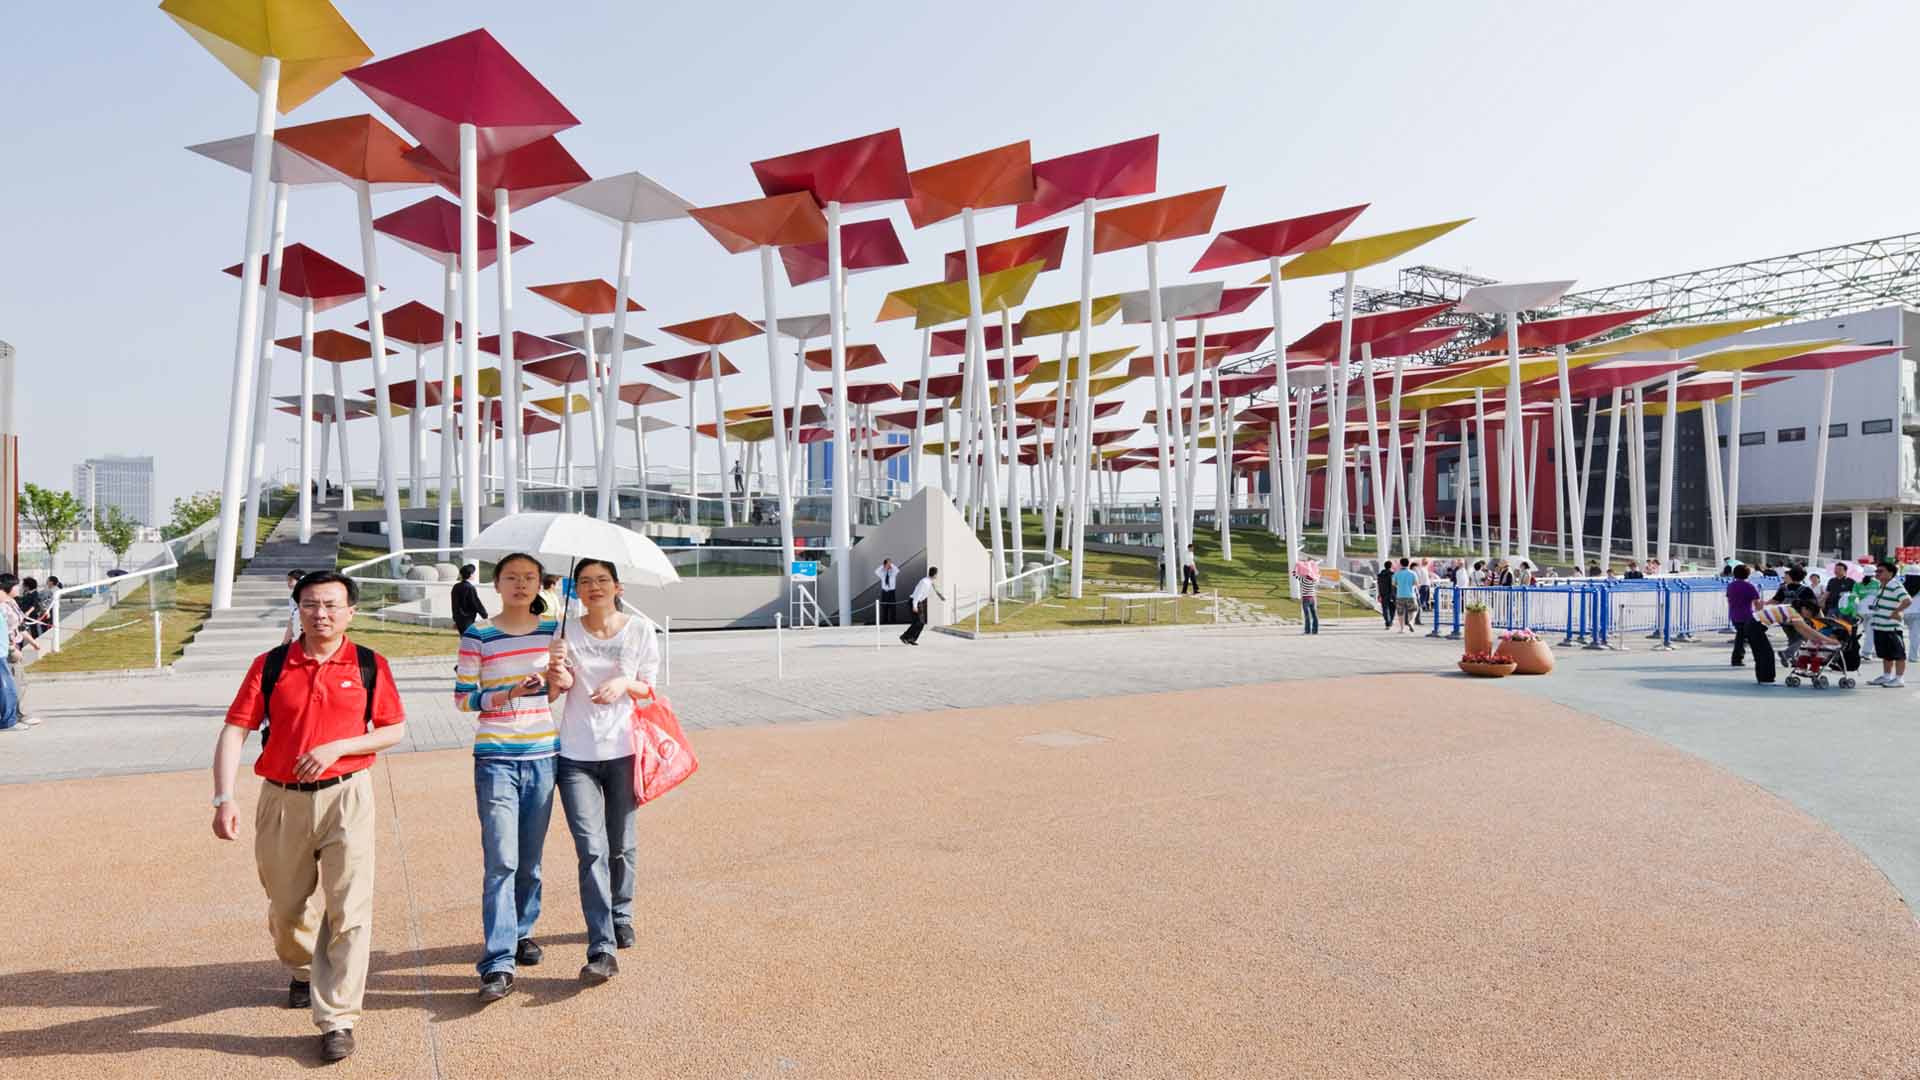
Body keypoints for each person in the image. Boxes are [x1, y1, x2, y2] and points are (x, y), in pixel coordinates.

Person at [212, 570, 407, 1063]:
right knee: (286, 907)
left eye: (331, 605)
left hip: (348, 796)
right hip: (282, 799)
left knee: (349, 909)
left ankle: (338, 1018)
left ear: (351, 612)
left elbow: (393, 729)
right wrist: (224, 797)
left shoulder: (369, 664)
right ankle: (302, 967)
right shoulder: (271, 665)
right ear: (298, 610)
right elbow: (235, 730)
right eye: (311, 605)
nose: (321, 614)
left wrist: (340, 747)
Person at [454, 553, 563, 1002]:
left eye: (529, 577)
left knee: (531, 860)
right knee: (502, 859)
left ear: (540, 584)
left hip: (543, 756)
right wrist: (508, 692)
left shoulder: (553, 632)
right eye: (512, 577)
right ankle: (498, 962)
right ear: (496, 584)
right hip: (496, 756)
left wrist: (558, 676)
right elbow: (463, 699)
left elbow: (555, 694)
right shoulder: (478, 635)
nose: (521, 584)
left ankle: (521, 932)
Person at [548, 558, 661, 984]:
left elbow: (649, 688)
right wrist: (556, 673)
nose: (593, 587)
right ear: (576, 589)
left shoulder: (639, 629)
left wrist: (624, 684)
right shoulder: (564, 633)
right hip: (574, 754)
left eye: (601, 580)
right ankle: (601, 945)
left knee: (622, 845)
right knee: (591, 849)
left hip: (624, 751)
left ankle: (621, 913)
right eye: (584, 581)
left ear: (618, 587)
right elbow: (555, 692)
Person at [0, 574, 44, 727]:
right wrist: (12, 649)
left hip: (15, 646)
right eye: (16, 585)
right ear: (7, 587)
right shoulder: (2, 606)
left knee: (19, 682)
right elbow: (4, 631)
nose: (19, 588)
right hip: (7, 648)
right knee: (10, 685)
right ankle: (13, 717)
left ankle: (18, 714)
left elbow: (20, 626)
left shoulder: (12, 602)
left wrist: (33, 642)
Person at [1865, 560, 1911, 687]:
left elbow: (1907, 600)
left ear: (1890, 573)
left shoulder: (1895, 585)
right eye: (1876, 571)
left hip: (1891, 627)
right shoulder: (1882, 585)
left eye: (1881, 571)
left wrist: (1896, 612)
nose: (1877, 573)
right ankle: (1886, 676)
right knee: (1886, 654)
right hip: (1880, 626)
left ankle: (1899, 679)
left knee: (1898, 654)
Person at [1726, 563, 1773, 683]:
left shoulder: (1731, 586)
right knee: (1746, 637)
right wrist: (1760, 614)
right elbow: (1757, 603)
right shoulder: (1750, 586)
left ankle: (1737, 657)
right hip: (1747, 615)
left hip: (1734, 613)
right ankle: (1738, 658)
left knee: (1740, 635)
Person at [900, 567, 942, 645]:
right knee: (919, 622)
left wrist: (939, 595)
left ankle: (910, 638)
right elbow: (918, 593)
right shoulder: (924, 582)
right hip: (915, 601)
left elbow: (934, 587)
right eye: (937, 574)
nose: (937, 575)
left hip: (920, 602)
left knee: (920, 622)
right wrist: (914, 605)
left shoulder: (929, 581)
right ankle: (905, 637)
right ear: (934, 574)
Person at [450, 563, 486, 635]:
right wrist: (484, 615)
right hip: (468, 619)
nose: (474, 575)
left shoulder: (456, 587)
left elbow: (454, 604)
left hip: (459, 619)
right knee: (470, 638)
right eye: (473, 573)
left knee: (464, 638)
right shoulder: (470, 588)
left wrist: (455, 619)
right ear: (470, 575)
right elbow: (476, 603)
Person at [1392, 558, 1418, 634]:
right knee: (1413, 610)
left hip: (1400, 595)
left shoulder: (1397, 573)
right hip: (1411, 595)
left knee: (1400, 613)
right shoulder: (1412, 573)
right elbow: (1416, 583)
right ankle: (1411, 622)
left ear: (1400, 564)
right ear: (1408, 564)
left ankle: (1402, 629)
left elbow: (1393, 583)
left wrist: (1399, 585)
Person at [1294, 558, 1320, 635]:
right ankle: (1315, 630)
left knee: (1307, 615)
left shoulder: (1303, 580)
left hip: (1306, 599)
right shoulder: (1314, 580)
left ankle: (1307, 631)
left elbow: (1294, 574)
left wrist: (1296, 566)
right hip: (1312, 598)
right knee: (1314, 615)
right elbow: (1317, 574)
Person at [282, 569, 303, 645]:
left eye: (291, 580)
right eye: (287, 580)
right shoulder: (293, 596)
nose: (288, 582)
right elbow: (292, 620)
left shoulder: (303, 597)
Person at [876, 559, 900, 623]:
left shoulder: (893, 572)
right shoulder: (882, 573)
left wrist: (890, 564)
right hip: (884, 592)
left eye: (890, 563)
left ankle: (893, 621)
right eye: (888, 564)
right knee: (884, 607)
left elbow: (897, 570)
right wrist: (883, 566)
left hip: (892, 592)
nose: (889, 565)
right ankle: (884, 621)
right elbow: (876, 571)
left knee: (893, 607)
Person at [1375, 562, 1396, 629]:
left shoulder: (1380, 575)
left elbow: (1379, 585)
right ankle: (1390, 621)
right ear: (1391, 566)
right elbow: (1393, 585)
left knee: (1385, 609)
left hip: (1383, 594)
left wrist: (1379, 594)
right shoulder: (1392, 574)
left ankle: (1387, 622)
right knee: (1392, 608)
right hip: (1391, 594)